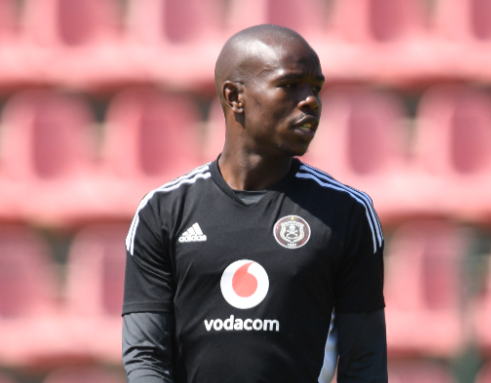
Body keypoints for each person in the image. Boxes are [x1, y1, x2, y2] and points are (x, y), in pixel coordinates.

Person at [122, 24, 387, 383]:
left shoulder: (347, 212)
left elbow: (365, 362)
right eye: (290, 85)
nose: (311, 100)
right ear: (235, 97)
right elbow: (146, 357)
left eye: (316, 88)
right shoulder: (163, 211)